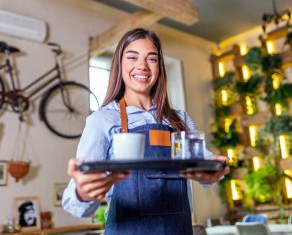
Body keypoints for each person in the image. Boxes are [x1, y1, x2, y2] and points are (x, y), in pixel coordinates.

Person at [62, 28, 229, 235]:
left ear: (159, 67)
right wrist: (84, 193)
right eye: (132, 57)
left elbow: (205, 167)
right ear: (119, 64)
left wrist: (215, 171)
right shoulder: (103, 120)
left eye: (152, 59)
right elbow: (73, 202)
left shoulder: (180, 120)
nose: (142, 65)